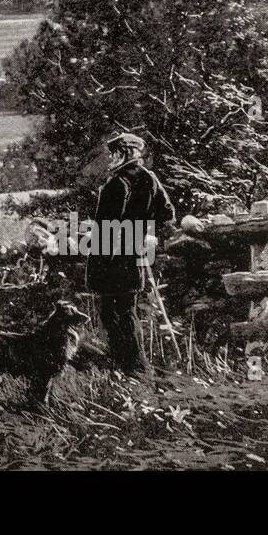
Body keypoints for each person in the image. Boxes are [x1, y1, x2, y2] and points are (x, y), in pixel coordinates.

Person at [86, 132, 175, 375]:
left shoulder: (117, 183)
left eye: (114, 153)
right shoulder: (150, 178)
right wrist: (146, 232)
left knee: (113, 313)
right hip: (134, 254)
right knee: (126, 311)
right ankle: (132, 366)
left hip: (112, 256)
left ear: (125, 153)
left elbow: (106, 225)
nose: (110, 159)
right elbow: (167, 213)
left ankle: (130, 366)